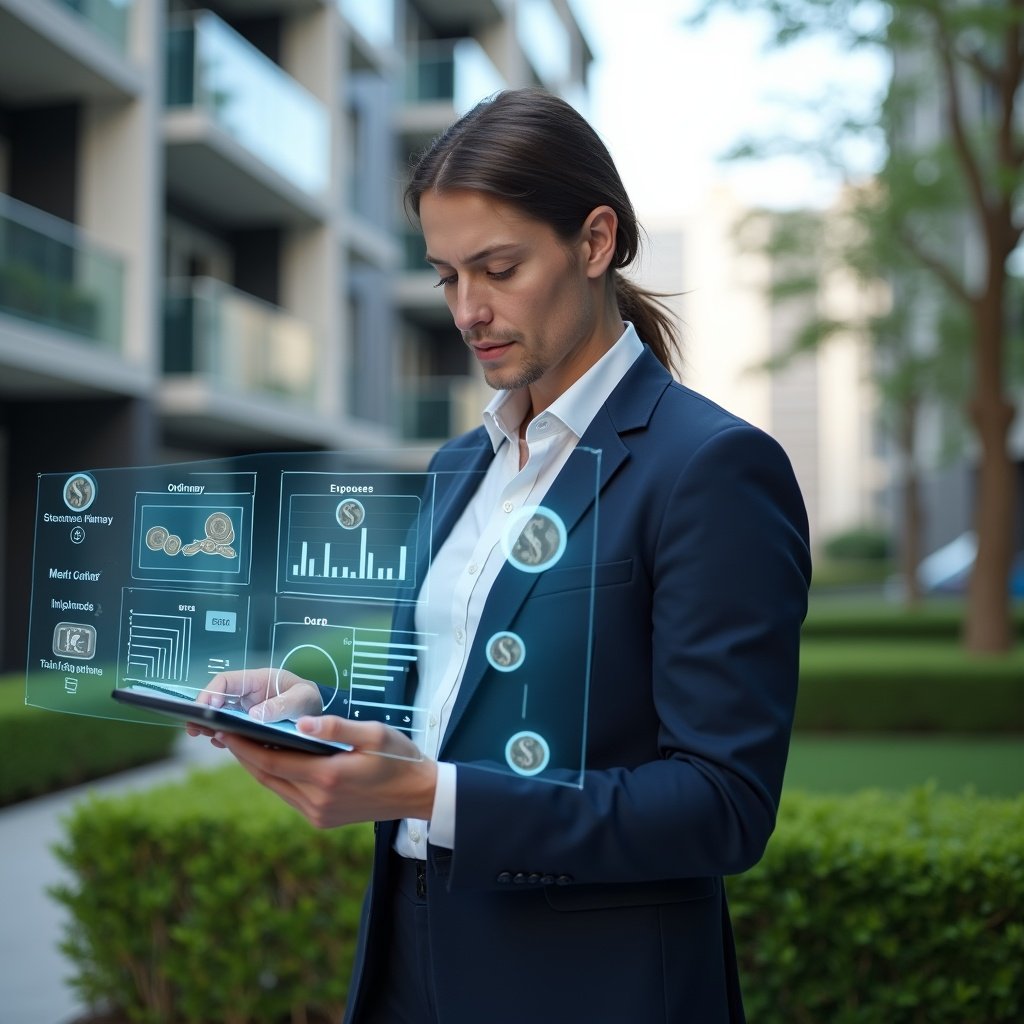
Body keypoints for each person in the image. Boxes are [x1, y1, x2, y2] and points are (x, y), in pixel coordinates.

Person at [191, 87, 811, 1023]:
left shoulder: (711, 469)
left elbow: (721, 803)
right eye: (445, 276)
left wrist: (432, 795)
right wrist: (310, 706)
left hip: (589, 987)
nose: (468, 310)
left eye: (500, 267)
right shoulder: (457, 465)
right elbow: (450, 693)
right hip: (408, 952)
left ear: (595, 242)